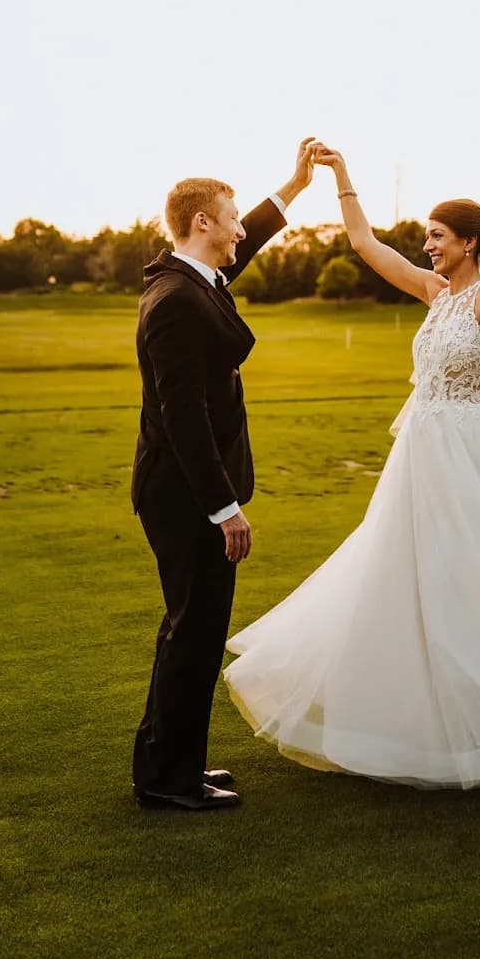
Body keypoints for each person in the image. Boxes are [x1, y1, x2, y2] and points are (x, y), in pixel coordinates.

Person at [223, 146, 480, 789]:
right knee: (410, 582)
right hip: (419, 456)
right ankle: (420, 728)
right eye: (426, 236)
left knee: (479, 583)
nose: (427, 246)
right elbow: (365, 243)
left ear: (470, 242)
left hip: (470, 456)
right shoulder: (432, 292)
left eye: (438, 236)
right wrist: (340, 176)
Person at [131, 138, 321, 810]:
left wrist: (293, 189)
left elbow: (253, 241)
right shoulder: (178, 300)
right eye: (233, 218)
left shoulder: (189, 282)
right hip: (184, 496)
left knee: (190, 628)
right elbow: (182, 418)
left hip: (185, 491)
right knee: (195, 632)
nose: (243, 229)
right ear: (202, 223)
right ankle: (168, 781)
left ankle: (170, 762)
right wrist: (222, 509)